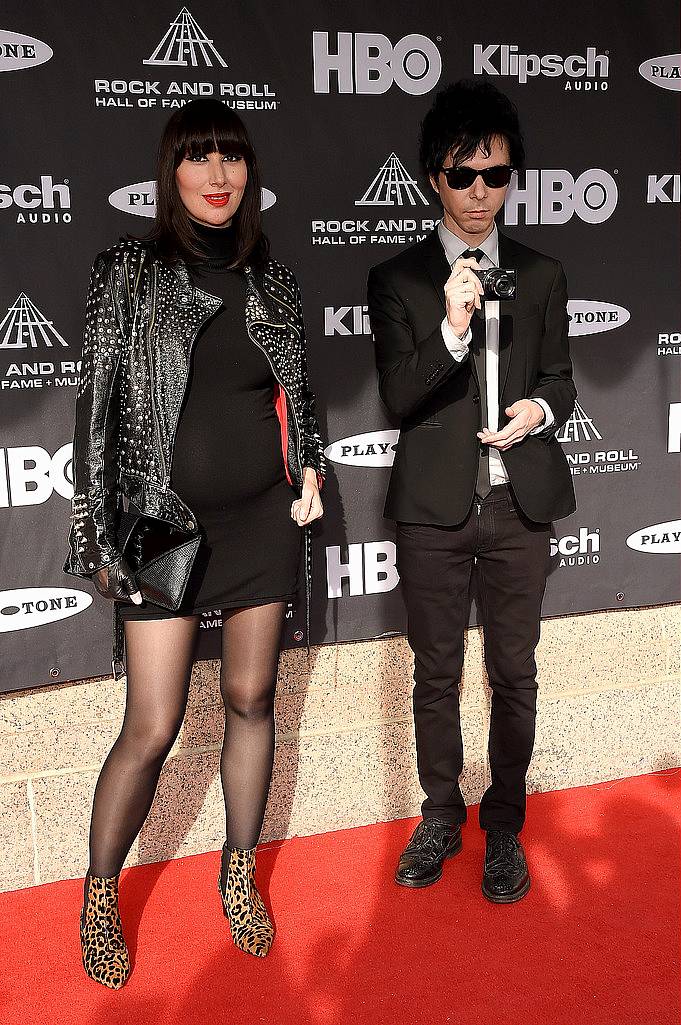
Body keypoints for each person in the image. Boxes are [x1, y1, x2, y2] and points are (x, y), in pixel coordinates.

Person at [64, 98, 325, 987]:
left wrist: (313, 468)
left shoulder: (273, 279)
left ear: (249, 174)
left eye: (232, 160)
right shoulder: (126, 271)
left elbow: (298, 390)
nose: (218, 177)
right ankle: (100, 892)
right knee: (153, 723)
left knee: (253, 699)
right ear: (170, 172)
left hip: (261, 517)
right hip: (157, 521)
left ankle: (239, 868)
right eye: (199, 159)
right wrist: (94, 533)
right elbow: (92, 409)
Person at [367, 80, 576, 903]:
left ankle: (503, 824)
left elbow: (561, 379)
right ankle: (440, 812)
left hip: (517, 504)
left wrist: (539, 407)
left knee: (514, 670)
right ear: (432, 178)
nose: (480, 192)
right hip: (432, 508)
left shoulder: (543, 271)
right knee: (434, 668)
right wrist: (452, 329)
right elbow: (397, 395)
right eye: (462, 176)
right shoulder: (397, 280)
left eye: (495, 174)